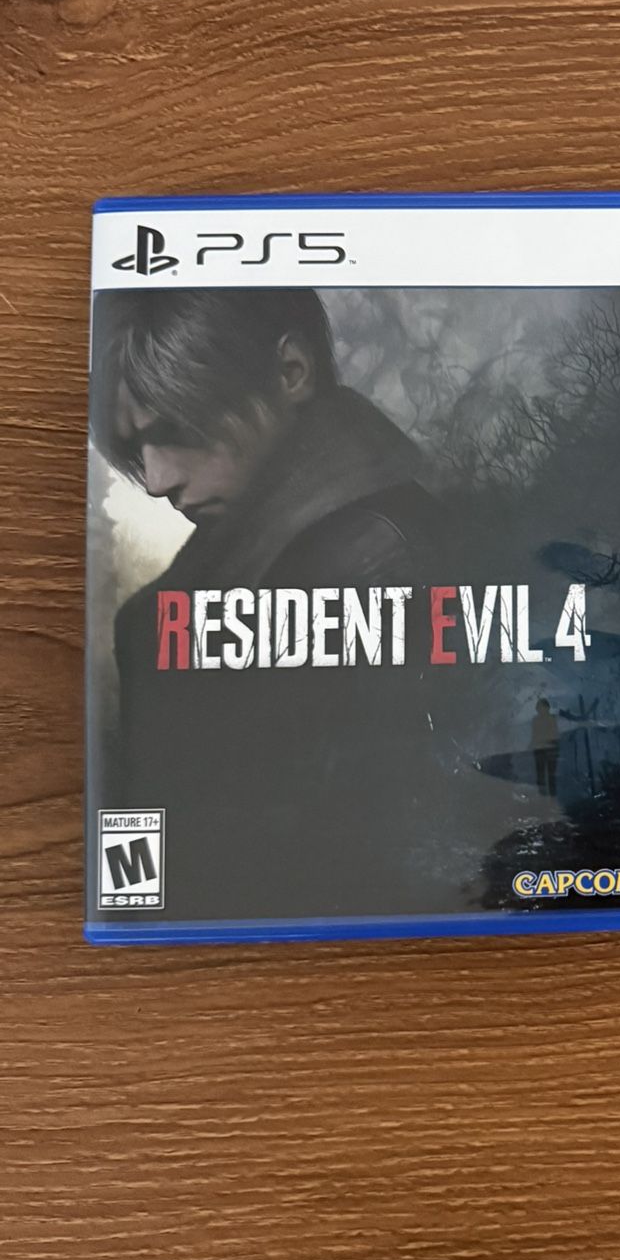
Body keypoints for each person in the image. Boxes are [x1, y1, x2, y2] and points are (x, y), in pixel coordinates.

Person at [92, 288, 455, 917]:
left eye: (174, 429)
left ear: (291, 372)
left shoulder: (375, 565)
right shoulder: (182, 604)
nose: (154, 480)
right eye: (135, 451)